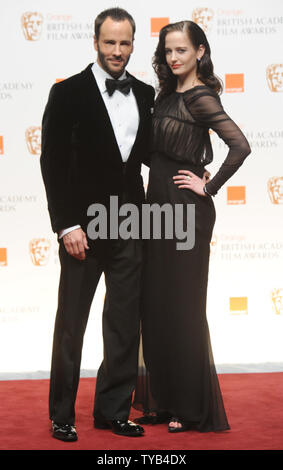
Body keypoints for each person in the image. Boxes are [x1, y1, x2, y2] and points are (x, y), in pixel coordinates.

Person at [40, 7, 155, 441]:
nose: (118, 51)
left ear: (132, 44)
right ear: (95, 41)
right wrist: (66, 225)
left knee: (124, 323)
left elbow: (149, 158)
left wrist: (198, 173)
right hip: (82, 231)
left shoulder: (145, 94)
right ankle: (61, 415)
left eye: (125, 43)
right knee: (72, 324)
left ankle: (112, 410)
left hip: (130, 225)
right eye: (110, 42)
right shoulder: (67, 93)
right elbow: (51, 163)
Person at [133, 20, 251, 433]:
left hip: (185, 210)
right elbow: (157, 154)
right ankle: (164, 401)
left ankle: (189, 406)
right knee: (156, 305)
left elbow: (240, 145)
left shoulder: (201, 97)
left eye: (182, 50)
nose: (174, 57)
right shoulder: (166, 94)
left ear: (200, 51)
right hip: (156, 205)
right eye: (168, 51)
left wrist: (210, 186)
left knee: (182, 307)